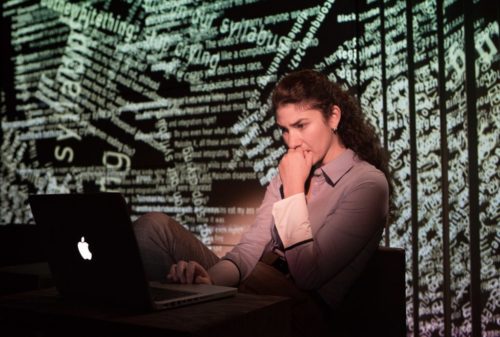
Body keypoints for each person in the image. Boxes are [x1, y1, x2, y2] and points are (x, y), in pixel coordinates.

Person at [133, 69, 391, 337]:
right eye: (285, 130)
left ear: (333, 117)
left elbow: (307, 276)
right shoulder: (291, 169)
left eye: (301, 125)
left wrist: (292, 187)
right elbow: (250, 246)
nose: (292, 141)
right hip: (255, 280)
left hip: (301, 307)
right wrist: (210, 280)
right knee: (153, 228)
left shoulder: (368, 184)